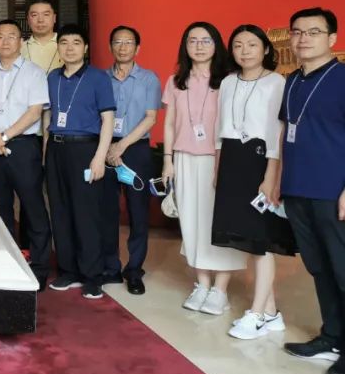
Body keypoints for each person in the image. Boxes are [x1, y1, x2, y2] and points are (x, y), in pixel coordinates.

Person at [212, 24, 293, 340]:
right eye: (238, 45)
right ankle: (271, 313)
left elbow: (277, 132)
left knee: (261, 240)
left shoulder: (276, 82)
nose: (244, 51)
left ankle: (257, 314)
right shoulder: (228, 81)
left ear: (266, 49)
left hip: (260, 160)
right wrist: (218, 167)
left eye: (251, 44)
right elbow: (220, 127)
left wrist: (271, 176)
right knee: (247, 237)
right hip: (232, 159)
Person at [277, 7, 345, 374]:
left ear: (332, 38)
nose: (304, 39)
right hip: (298, 188)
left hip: (333, 190)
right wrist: (279, 180)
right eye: (297, 32)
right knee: (319, 266)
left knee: (342, 267)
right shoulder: (293, 80)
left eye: (314, 32)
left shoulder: (342, 77)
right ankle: (332, 336)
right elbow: (286, 132)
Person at [161, 22, 245, 315]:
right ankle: (202, 284)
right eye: (192, 40)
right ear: (185, 46)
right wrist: (168, 160)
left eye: (206, 40)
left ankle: (220, 290)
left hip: (217, 159)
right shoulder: (176, 81)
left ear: (216, 45)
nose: (199, 46)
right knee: (191, 222)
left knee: (217, 222)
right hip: (184, 158)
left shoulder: (230, 81)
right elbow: (169, 124)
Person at [0, 18, 52, 290]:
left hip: (22, 147)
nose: (5, 41)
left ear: (20, 41)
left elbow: (35, 111)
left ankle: (40, 269)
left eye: (11, 36)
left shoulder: (34, 73)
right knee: (0, 209)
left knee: (33, 208)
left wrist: (4, 136)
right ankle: (6, 264)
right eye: (0, 36)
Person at [44, 23, 116, 299]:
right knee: (60, 211)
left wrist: (99, 158)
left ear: (85, 48)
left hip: (85, 149)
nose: (70, 48)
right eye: (64, 43)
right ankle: (68, 270)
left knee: (87, 214)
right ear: (58, 48)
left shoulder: (98, 78)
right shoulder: (52, 77)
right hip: (56, 148)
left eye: (76, 43)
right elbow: (48, 116)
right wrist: (45, 151)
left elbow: (108, 119)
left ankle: (92, 275)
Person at [102, 25, 162, 295]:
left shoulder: (149, 79)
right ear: (110, 47)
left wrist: (121, 146)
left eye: (128, 42)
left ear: (138, 48)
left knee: (138, 211)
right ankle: (110, 266)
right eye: (117, 42)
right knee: (107, 210)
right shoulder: (101, 79)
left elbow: (151, 117)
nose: (123, 47)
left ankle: (135, 269)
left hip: (135, 148)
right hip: (105, 147)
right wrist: (108, 147)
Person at [20, 0, 61, 73]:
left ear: (54, 18)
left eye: (46, 14)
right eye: (34, 15)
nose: (40, 20)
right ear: (28, 20)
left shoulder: (67, 46)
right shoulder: (19, 48)